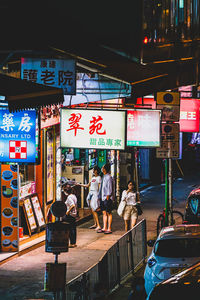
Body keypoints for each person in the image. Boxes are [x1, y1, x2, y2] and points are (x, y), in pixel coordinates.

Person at [77, 165, 101, 231]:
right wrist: (80, 185)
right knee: (92, 209)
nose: (93, 171)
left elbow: (99, 187)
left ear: (96, 171)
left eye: (93, 169)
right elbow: (87, 185)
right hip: (90, 193)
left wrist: (99, 196)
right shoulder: (92, 178)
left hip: (95, 194)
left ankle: (98, 225)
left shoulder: (99, 178)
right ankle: (95, 223)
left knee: (94, 209)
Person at [97, 163, 113, 234]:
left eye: (103, 167)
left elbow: (109, 188)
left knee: (108, 213)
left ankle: (109, 228)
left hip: (107, 198)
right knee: (104, 213)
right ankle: (104, 227)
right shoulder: (103, 176)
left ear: (105, 169)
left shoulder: (109, 177)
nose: (102, 168)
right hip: (103, 198)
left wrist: (108, 197)